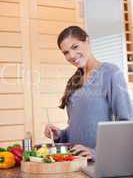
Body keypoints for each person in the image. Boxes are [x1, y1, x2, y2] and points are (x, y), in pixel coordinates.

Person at [44, 26, 133, 160]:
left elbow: (127, 123)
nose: (71, 56)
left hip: (101, 163)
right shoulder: (74, 81)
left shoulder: (111, 73)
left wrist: (98, 153)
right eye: (66, 52)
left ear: (87, 41)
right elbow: (77, 127)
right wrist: (60, 135)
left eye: (75, 47)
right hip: (75, 161)